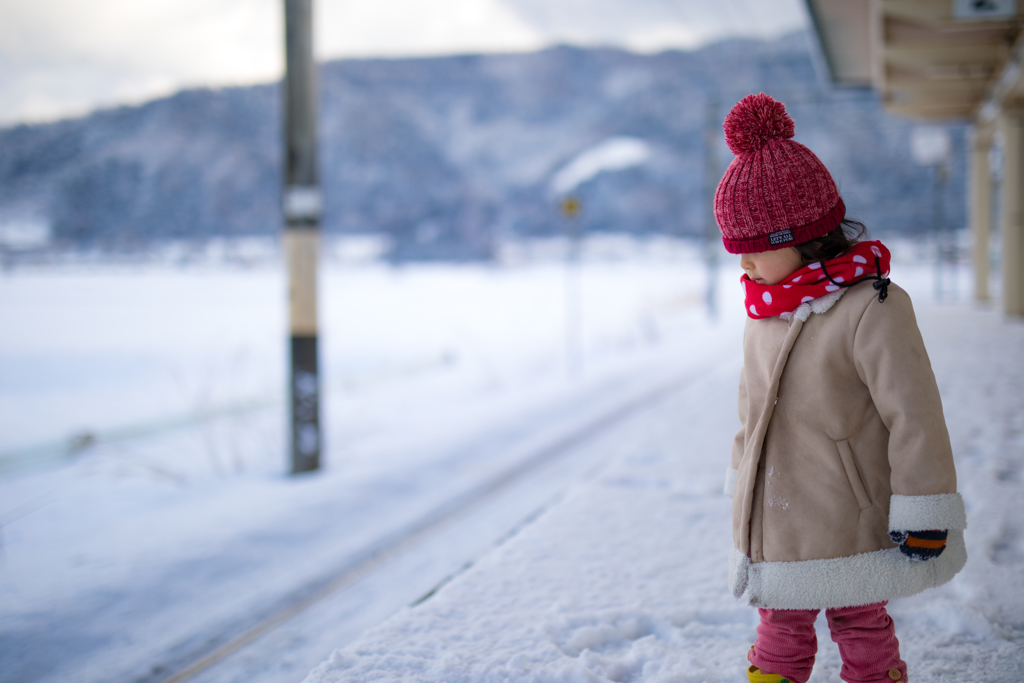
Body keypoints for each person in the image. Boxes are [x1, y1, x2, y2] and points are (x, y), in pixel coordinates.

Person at [716, 93, 967, 683]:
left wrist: (924, 508)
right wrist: (741, 484)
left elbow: (915, 415)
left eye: (755, 250)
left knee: (859, 621)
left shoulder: (871, 308)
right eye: (736, 253)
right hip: (779, 518)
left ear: (802, 236)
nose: (744, 267)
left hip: (853, 516)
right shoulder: (764, 317)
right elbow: (750, 412)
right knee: (778, 624)